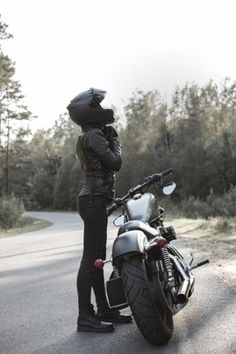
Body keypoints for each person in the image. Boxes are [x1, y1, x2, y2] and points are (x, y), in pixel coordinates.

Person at [67, 88, 132, 333]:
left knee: (96, 261)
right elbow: (116, 163)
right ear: (89, 112)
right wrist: (115, 141)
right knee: (89, 260)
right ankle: (85, 316)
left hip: (93, 200)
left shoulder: (87, 136)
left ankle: (103, 309)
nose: (102, 108)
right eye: (97, 105)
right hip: (93, 200)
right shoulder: (94, 136)